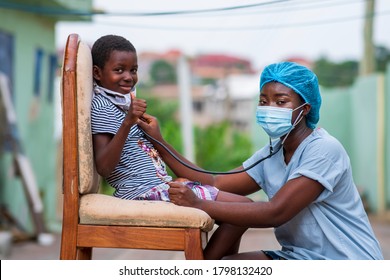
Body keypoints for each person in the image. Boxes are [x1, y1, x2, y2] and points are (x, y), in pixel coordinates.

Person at [137, 61, 384, 260]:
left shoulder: (324, 150)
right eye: (263, 101)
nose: (269, 108)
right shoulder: (273, 153)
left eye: (281, 101)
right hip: (298, 257)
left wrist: (200, 204)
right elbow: (214, 181)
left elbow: (275, 213)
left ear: (305, 109)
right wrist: (159, 141)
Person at [90, 34, 250, 259]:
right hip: (141, 193)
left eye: (133, 70)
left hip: (158, 186)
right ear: (97, 73)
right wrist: (127, 122)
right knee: (244, 209)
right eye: (119, 70)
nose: (128, 77)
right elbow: (104, 167)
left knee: (242, 210)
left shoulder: (122, 102)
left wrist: (152, 135)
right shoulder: (103, 107)